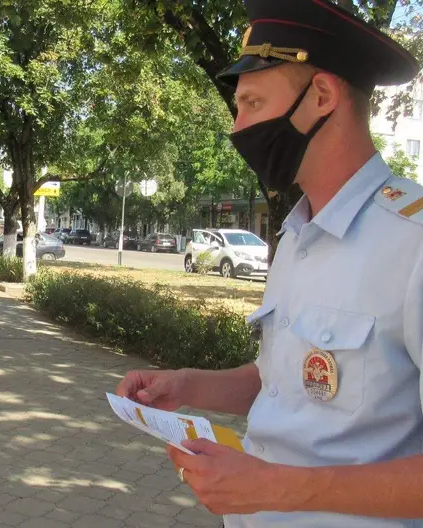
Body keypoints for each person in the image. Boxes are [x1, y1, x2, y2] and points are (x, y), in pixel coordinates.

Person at [117, 0, 423, 526]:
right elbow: (287, 382)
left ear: (322, 96)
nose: (239, 128)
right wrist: (185, 386)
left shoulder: (412, 243)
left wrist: (281, 488)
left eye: (253, 103)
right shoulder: (298, 233)